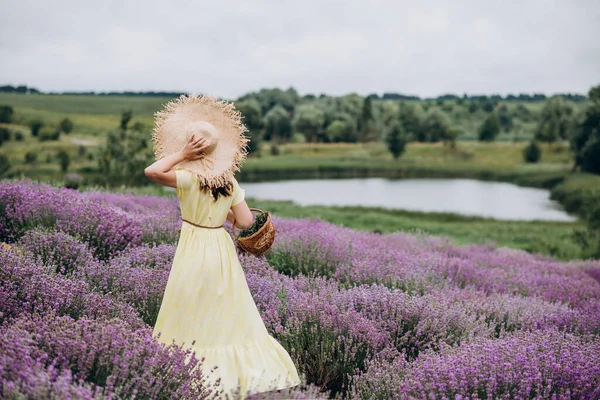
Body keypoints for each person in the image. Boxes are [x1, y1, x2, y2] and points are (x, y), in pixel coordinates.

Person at [144, 94, 301, 398]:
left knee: (189, 306)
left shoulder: (188, 178)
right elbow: (243, 222)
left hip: (193, 246)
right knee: (226, 310)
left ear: (191, 146)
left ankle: (190, 371)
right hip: (219, 247)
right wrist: (223, 210)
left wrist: (180, 154)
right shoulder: (229, 182)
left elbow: (152, 171)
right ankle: (238, 374)